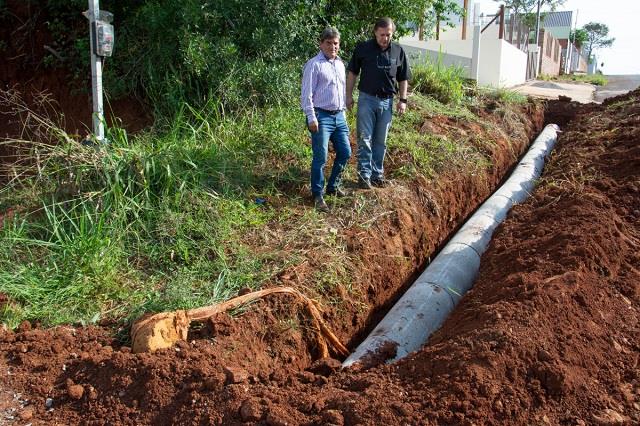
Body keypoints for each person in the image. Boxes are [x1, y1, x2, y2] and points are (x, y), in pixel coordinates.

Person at [346, 17, 411, 189]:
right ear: (375, 32)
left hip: (387, 102)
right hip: (367, 100)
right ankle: (363, 175)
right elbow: (352, 72)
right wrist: (348, 95)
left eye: (388, 35)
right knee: (364, 139)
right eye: (382, 34)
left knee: (380, 141)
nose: (385, 38)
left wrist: (403, 100)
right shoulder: (363, 48)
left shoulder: (398, 51)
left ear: (392, 33)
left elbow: (403, 78)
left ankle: (377, 174)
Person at [301, 27, 351, 213]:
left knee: (345, 152)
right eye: (328, 43)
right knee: (320, 157)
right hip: (321, 116)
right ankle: (317, 194)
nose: (333, 47)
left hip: (339, 116)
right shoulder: (314, 65)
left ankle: (333, 186)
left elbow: (342, 91)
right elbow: (306, 95)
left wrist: (343, 114)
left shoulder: (340, 64)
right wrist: (311, 117)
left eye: (336, 43)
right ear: (321, 44)